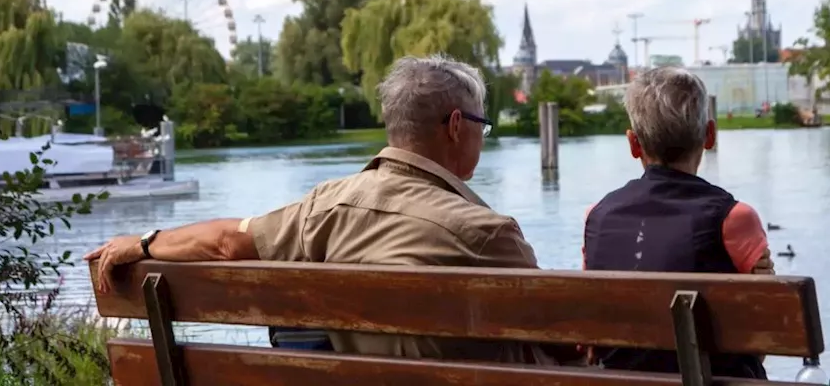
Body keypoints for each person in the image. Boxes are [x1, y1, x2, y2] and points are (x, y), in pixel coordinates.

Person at [86, 54, 570, 365]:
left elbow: (226, 242)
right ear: (456, 125)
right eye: (482, 126)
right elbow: (560, 339)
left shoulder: (324, 207)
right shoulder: (488, 234)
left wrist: (145, 244)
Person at [582, 66, 774, 379]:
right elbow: (761, 341)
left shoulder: (596, 217)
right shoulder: (733, 219)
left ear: (633, 144)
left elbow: (594, 338)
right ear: (709, 135)